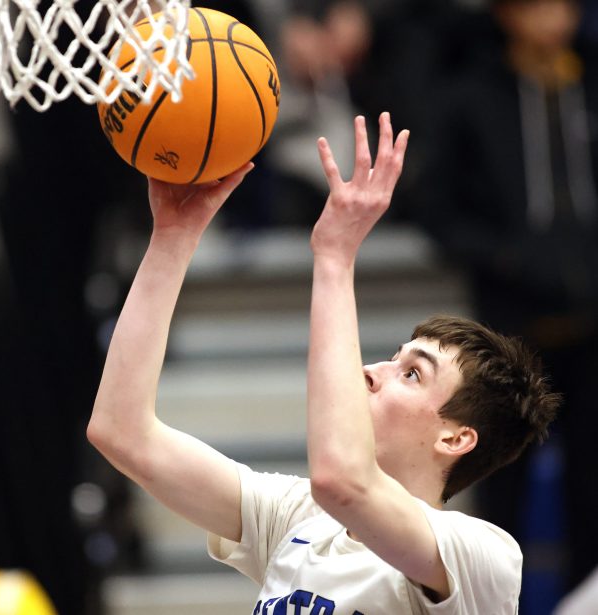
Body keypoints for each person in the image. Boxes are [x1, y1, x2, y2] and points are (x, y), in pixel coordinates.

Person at [87, 113, 560, 613]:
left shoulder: (479, 555)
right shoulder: (298, 516)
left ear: (455, 437)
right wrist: (173, 237)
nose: (370, 371)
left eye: (412, 373)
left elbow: (342, 481)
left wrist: (334, 257)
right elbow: (121, 432)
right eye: (394, 358)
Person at [412, 0, 598, 599]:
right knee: (500, 487)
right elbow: (436, 204)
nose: (556, 17)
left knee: (593, 489)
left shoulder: (587, 82)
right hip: (511, 328)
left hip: (594, 322)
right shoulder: (473, 92)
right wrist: (508, 257)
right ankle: (487, 607)